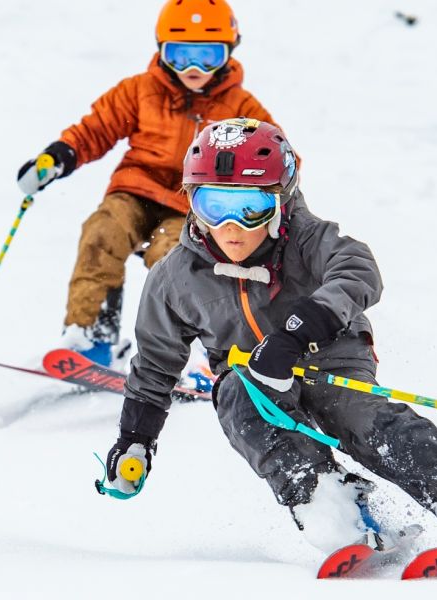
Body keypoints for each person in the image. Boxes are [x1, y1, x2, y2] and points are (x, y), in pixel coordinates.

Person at [101, 118, 437, 558]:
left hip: (331, 353)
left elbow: (358, 269)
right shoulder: (175, 277)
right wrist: (134, 439)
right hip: (253, 376)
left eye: (250, 207)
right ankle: (333, 509)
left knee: (360, 419)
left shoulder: (306, 239)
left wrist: (300, 329)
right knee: (238, 399)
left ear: (281, 200)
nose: (231, 226)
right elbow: (156, 364)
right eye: (214, 207)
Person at [16, 0, 279, 370]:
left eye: (207, 56)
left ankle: (194, 352)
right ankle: (91, 336)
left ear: (228, 53)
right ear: (161, 50)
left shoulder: (240, 107)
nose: (193, 68)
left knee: (175, 258)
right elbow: (97, 127)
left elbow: (277, 154)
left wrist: (263, 189)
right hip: (136, 190)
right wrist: (59, 156)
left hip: (192, 206)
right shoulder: (140, 90)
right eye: (180, 55)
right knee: (102, 233)